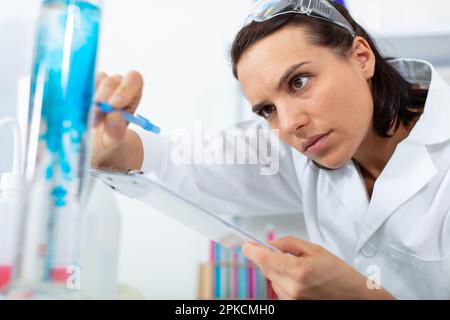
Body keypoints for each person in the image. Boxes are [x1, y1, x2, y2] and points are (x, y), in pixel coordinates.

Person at [91, 0, 450, 299]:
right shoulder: (300, 147)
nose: (290, 123)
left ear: (361, 57)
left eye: (299, 81)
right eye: (267, 110)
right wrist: (108, 145)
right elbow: (177, 161)